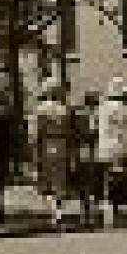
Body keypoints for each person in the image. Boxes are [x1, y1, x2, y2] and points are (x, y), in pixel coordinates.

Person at [95, 76, 127, 228]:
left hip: (105, 150)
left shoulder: (102, 108)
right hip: (121, 148)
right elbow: (125, 132)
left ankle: (109, 216)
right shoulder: (123, 108)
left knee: (108, 183)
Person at [30, 81, 77, 231]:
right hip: (62, 144)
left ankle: (54, 211)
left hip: (46, 144)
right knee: (60, 180)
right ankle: (59, 210)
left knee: (45, 181)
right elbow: (71, 131)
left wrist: (32, 150)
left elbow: (34, 133)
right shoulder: (64, 110)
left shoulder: (39, 110)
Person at [72, 90, 103, 228]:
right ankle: (87, 213)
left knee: (92, 183)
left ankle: (91, 212)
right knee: (87, 182)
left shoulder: (91, 116)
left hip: (90, 152)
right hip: (88, 152)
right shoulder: (85, 117)